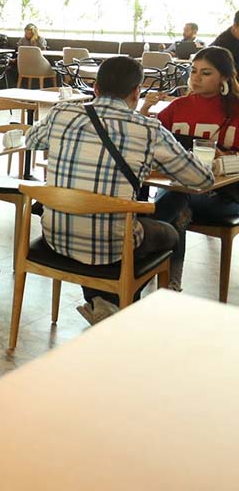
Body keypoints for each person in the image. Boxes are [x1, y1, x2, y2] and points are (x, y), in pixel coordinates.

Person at [26, 56, 212, 325]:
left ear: (96, 88)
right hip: (112, 247)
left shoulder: (61, 113)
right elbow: (201, 180)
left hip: (55, 234)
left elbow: (31, 140)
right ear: (137, 92)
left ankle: (102, 302)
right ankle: (120, 305)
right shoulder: (148, 129)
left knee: (112, 225)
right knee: (169, 233)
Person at [142, 47, 239, 257]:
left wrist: (226, 159)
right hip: (179, 186)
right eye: (193, 71)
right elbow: (145, 139)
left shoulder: (236, 109)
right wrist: (143, 110)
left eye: (206, 73)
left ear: (224, 77)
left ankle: (140, 238)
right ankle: (170, 282)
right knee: (179, 201)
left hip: (226, 195)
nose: (196, 78)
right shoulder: (178, 106)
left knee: (176, 201)